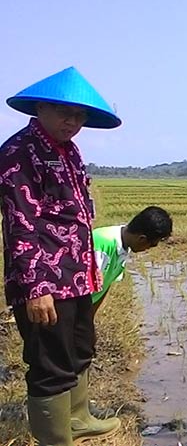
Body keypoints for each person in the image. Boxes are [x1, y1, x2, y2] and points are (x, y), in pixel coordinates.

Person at [0, 66, 122, 445]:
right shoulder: (19, 152)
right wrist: (36, 287)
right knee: (50, 363)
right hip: (45, 281)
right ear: (39, 108)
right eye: (64, 112)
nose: (73, 122)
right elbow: (21, 222)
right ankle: (56, 439)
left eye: (80, 115)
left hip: (77, 274)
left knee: (80, 348)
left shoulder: (67, 150)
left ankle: (79, 419)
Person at [91, 206, 173, 314]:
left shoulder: (124, 246)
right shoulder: (102, 243)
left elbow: (106, 284)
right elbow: (83, 288)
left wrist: (89, 318)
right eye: (152, 245)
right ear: (142, 239)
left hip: (83, 310)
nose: (148, 249)